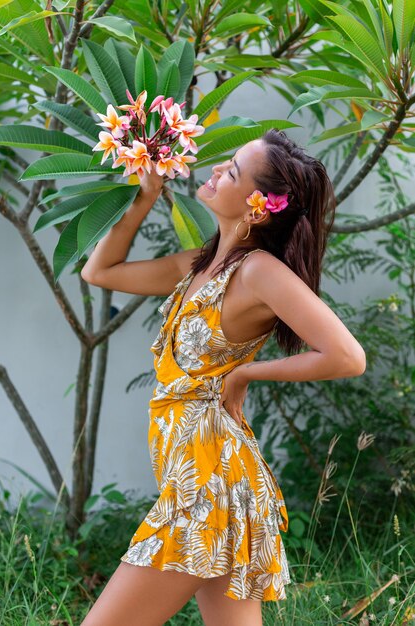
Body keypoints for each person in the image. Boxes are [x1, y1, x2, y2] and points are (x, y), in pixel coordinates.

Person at [80, 129, 366, 626]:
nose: (215, 170)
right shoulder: (199, 266)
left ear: (261, 205)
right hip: (203, 477)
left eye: (231, 171)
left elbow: (347, 356)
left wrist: (247, 372)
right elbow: (100, 272)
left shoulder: (258, 271)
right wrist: (143, 197)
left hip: (208, 484)